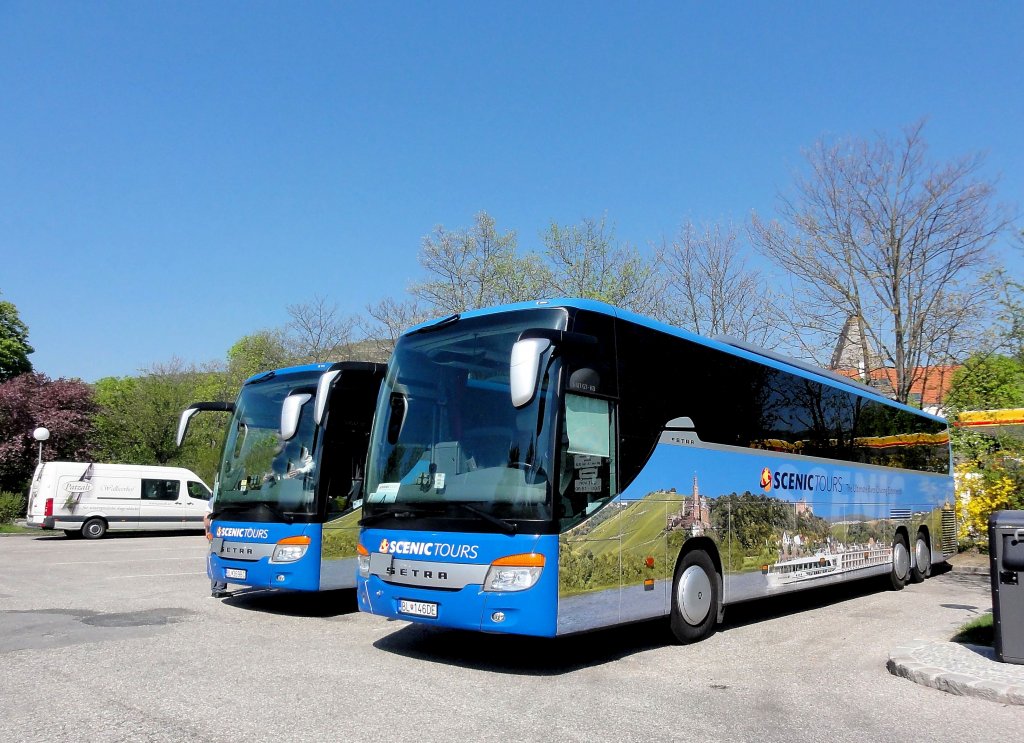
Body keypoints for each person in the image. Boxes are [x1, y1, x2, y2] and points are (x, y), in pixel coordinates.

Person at [205, 495, 229, 598]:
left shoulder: (213, 500)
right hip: (222, 532)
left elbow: (206, 518)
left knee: (213, 557)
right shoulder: (227, 499)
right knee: (221, 558)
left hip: (214, 531)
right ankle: (220, 589)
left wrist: (207, 531)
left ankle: (214, 588)